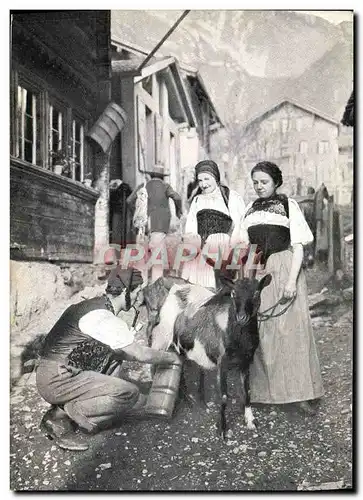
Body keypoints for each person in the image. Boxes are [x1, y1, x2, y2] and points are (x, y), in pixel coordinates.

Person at [36, 268, 180, 451]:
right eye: (137, 292)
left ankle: (74, 407)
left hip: (55, 371)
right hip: (57, 379)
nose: (138, 298)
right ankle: (66, 414)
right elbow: (140, 354)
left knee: (115, 355)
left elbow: (125, 352)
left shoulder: (94, 306)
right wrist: (172, 358)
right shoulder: (103, 318)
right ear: (126, 291)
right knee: (129, 393)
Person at [243, 161, 324, 414]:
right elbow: (246, 248)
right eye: (255, 182)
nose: (259, 186)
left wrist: (291, 281)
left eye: (264, 182)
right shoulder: (250, 209)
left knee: (292, 331)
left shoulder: (289, 206)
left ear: (276, 182)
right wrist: (247, 280)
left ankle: (301, 393)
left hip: (285, 268)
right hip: (259, 271)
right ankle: (266, 393)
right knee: (263, 330)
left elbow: (299, 246)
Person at [181, 160, 247, 289]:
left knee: (220, 287)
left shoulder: (231, 197)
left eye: (207, 179)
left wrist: (234, 251)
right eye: (200, 180)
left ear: (216, 178)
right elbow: (191, 227)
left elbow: (240, 224)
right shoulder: (197, 200)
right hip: (201, 250)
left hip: (223, 248)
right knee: (199, 289)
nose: (204, 184)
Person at [127, 173, 183, 282]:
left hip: (142, 226)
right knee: (157, 257)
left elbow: (129, 201)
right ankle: (155, 284)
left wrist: (136, 212)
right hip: (159, 224)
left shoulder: (142, 186)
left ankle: (140, 285)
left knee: (141, 258)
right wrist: (178, 211)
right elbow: (177, 197)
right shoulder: (165, 186)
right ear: (162, 178)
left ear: (150, 177)